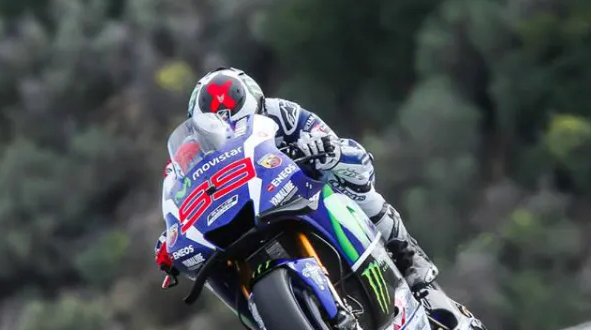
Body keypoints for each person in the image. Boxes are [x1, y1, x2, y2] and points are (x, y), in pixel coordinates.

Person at [154, 66, 439, 294]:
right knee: (211, 265)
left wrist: (325, 150)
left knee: (345, 173)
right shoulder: (190, 153)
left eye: (238, 123)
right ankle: (271, 323)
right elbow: (177, 198)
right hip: (242, 210)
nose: (231, 132)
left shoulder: (283, 113)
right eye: (219, 128)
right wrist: (170, 238)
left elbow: (344, 150)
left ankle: (406, 252)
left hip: (298, 187)